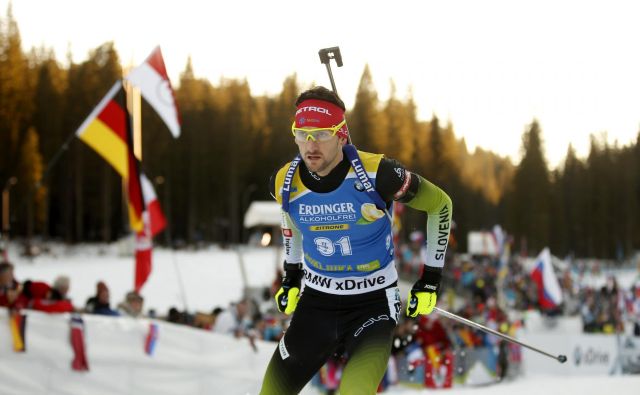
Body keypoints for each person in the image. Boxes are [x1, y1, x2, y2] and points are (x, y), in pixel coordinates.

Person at [259, 86, 453, 394]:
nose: (311, 145)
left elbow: (440, 205)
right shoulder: (284, 180)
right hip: (317, 304)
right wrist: (292, 275)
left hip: (373, 304)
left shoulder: (380, 173)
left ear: (341, 135)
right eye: (302, 133)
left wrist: (430, 280)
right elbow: (290, 219)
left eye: (321, 133)